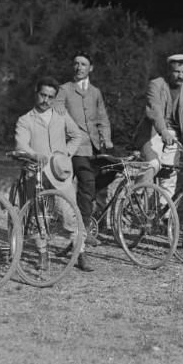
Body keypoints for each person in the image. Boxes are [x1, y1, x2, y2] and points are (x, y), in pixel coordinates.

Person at [14, 76, 94, 271]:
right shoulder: (25, 120)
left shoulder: (61, 114)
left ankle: (80, 253)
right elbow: (21, 145)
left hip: (60, 174)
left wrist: (65, 153)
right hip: (36, 173)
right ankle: (43, 254)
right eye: (43, 95)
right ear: (36, 93)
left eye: (50, 97)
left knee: (70, 213)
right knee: (38, 215)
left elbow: (77, 135)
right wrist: (34, 155)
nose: (46, 101)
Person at [54, 52, 116, 249]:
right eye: (76, 63)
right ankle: (84, 229)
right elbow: (57, 113)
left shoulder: (95, 92)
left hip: (95, 146)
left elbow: (102, 118)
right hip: (76, 146)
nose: (78, 67)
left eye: (83, 64)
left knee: (115, 168)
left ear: (91, 68)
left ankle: (86, 198)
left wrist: (106, 139)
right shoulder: (64, 89)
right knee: (87, 181)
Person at [133, 54, 183, 198]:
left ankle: (165, 217)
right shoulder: (156, 84)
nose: (181, 76)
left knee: (170, 176)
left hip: (174, 136)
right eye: (177, 72)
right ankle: (135, 197)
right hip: (153, 132)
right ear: (169, 71)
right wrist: (164, 131)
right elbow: (155, 110)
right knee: (152, 164)